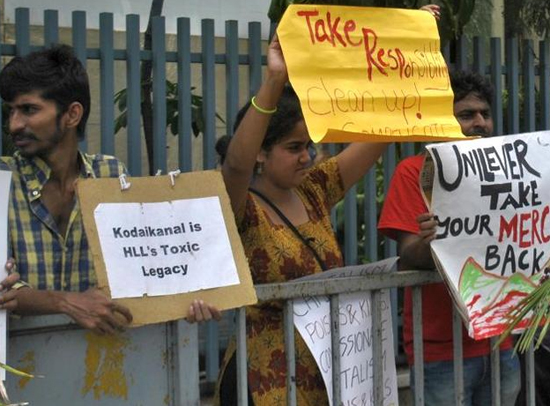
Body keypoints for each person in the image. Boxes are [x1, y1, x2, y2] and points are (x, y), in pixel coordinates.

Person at [213, 31, 387, 406]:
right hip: (262, 385)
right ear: (261, 153)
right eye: (294, 148)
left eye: (310, 146)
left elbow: (382, 131)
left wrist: (408, 48)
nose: (307, 157)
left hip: (325, 378)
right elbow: (236, 164)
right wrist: (274, 80)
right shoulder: (241, 207)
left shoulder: (314, 190)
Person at [0, 45, 219, 332]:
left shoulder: (111, 175)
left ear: (72, 114)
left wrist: (185, 298)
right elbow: (5, 291)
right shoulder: (4, 181)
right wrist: (65, 302)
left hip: (106, 363)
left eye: (28, 109)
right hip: (22, 369)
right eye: (11, 111)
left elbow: (146, 269)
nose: (14, 124)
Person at [378, 70, 521, 405]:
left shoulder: (507, 173)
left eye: (485, 114)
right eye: (466, 114)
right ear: (442, 120)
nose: (480, 123)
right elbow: (409, 254)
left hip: (499, 341)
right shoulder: (414, 172)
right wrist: (433, 241)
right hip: (440, 351)